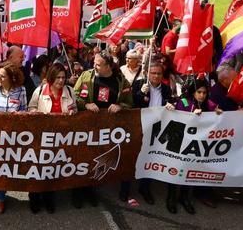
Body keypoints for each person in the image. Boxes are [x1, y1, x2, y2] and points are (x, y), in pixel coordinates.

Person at [72, 53, 133, 208]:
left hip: (107, 130)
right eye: (94, 63)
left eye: (98, 64)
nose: (94, 66)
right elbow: (75, 95)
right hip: (86, 126)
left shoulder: (120, 80)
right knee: (82, 158)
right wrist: (85, 105)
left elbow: (129, 103)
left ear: (108, 66)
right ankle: (77, 193)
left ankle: (91, 191)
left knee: (97, 159)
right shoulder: (86, 76)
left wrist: (121, 106)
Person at [164, 78, 223, 214]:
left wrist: (219, 112)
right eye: (199, 92)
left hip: (196, 146)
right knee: (176, 170)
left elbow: (219, 112)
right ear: (193, 92)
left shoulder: (209, 103)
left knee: (190, 171)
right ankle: (171, 197)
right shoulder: (184, 102)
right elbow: (177, 116)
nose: (202, 95)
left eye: (204, 92)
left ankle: (184, 197)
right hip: (180, 143)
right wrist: (191, 114)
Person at [28, 64, 76, 213]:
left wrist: (74, 111)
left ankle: (49, 198)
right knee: (38, 167)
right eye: (58, 77)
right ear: (51, 77)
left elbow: (74, 109)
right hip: (41, 136)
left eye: (63, 77)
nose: (61, 81)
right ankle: (34, 198)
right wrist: (35, 112)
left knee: (53, 169)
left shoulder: (70, 91)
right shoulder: (40, 90)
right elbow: (31, 108)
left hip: (61, 137)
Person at [127, 62, 173, 206]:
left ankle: (144, 188)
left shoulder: (166, 89)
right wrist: (140, 93)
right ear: (147, 73)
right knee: (132, 158)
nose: (156, 76)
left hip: (157, 129)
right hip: (139, 127)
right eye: (153, 73)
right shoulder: (139, 84)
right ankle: (125, 190)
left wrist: (170, 105)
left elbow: (170, 103)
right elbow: (130, 104)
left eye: (159, 73)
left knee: (150, 159)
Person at [0, 63, 27, 214]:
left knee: (4, 167)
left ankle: (1, 197)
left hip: (11, 135)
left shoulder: (21, 90)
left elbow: (24, 109)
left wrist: (19, 115)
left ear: (11, 77)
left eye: (3, 76)